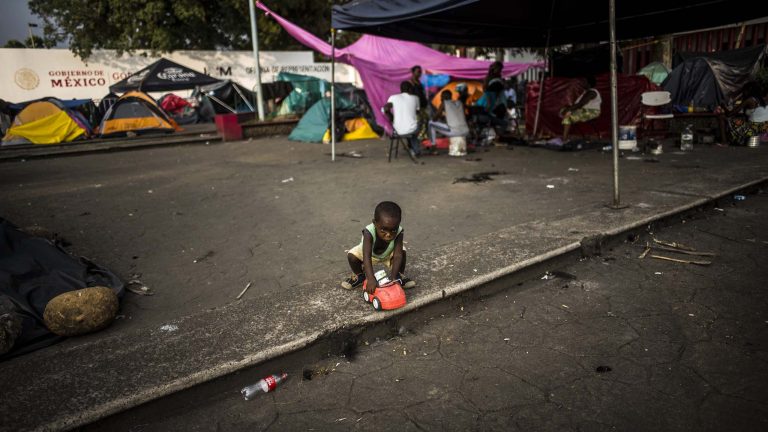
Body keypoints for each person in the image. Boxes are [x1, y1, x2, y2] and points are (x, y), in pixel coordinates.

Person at [341, 201, 416, 292]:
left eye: (393, 230)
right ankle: (360, 276)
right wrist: (371, 279)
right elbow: (366, 256)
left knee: (402, 252)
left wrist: (393, 279)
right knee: (352, 256)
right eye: (384, 229)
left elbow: (397, 256)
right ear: (375, 223)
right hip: (370, 255)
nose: (388, 234)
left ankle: (398, 276)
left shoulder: (399, 232)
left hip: (388, 255)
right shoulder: (368, 232)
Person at [383, 81, 422, 157]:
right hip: (412, 129)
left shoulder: (393, 97)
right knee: (418, 122)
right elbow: (417, 112)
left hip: (397, 131)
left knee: (408, 124)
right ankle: (415, 150)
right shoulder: (416, 98)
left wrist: (391, 117)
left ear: (401, 89)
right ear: (410, 89)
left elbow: (386, 108)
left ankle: (412, 147)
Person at [560, 76, 601, 141]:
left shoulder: (592, 92)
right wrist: (567, 109)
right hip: (582, 110)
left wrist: (569, 110)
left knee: (568, 116)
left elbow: (581, 104)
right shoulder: (585, 92)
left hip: (592, 112)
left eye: (584, 82)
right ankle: (565, 135)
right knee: (563, 111)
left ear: (589, 84)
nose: (582, 83)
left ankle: (564, 139)